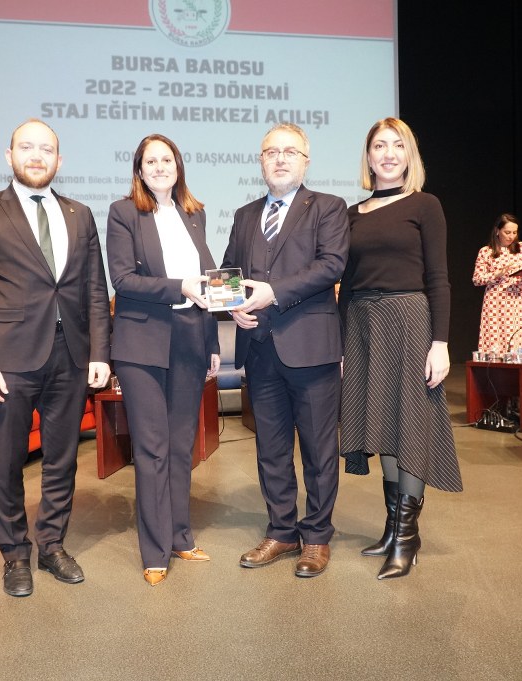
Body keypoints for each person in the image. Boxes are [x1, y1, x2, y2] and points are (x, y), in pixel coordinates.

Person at [0, 118, 111, 597]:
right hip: (9, 360)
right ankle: (14, 554)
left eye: (46, 149)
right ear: (10, 156)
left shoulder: (80, 214)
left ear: (59, 160)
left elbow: (94, 288)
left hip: (71, 356)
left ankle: (52, 545)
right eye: (27, 147)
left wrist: (100, 351)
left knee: (61, 460)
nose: (37, 156)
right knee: (7, 463)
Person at [221, 122, 349, 578]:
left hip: (311, 348)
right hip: (259, 348)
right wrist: (232, 305)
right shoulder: (244, 214)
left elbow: (331, 265)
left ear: (305, 161)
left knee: (318, 449)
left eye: (289, 151)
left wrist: (272, 292)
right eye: (271, 152)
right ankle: (281, 531)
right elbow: (229, 270)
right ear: (260, 161)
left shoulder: (329, 207)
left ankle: (316, 537)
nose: (279, 158)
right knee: (271, 449)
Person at [338, 117, 463, 579]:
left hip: (409, 320)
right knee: (383, 425)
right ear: (368, 157)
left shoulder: (424, 205)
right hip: (363, 324)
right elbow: (346, 283)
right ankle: (393, 529)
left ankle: (407, 539)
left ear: (409, 155)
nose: (388, 154)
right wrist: (343, 345)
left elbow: (439, 278)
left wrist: (441, 342)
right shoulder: (352, 213)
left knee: (408, 424)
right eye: (379, 146)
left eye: (397, 145)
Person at [106, 134, 221, 587]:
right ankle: (154, 552)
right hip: (141, 344)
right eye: (150, 161)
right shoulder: (123, 213)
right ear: (139, 170)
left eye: (166, 159)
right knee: (152, 448)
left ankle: (180, 537)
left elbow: (208, 282)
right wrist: (179, 288)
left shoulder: (195, 214)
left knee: (179, 447)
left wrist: (212, 341)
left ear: (178, 166)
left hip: (190, 339)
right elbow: (123, 279)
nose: (159, 167)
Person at [472, 213, 522, 353]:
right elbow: (477, 279)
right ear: (497, 231)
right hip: (496, 302)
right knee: (496, 338)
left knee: (518, 336)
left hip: (518, 301)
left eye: (514, 232)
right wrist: (496, 274)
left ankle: (519, 362)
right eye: (507, 232)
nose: (511, 236)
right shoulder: (486, 252)